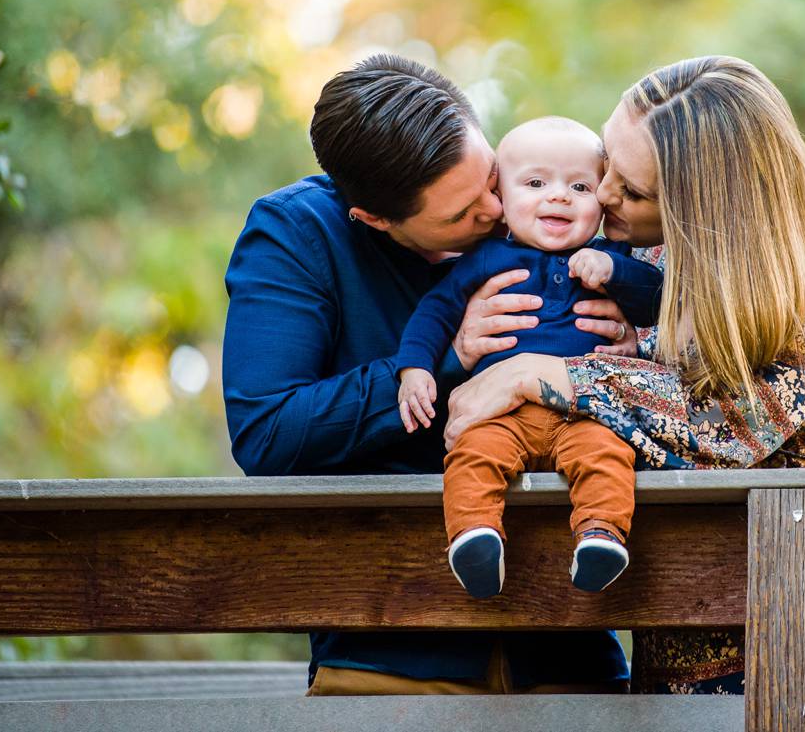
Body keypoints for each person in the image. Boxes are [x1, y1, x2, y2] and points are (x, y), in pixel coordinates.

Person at [443, 55, 805, 696]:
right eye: (607, 169)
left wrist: (546, 374)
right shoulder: (648, 244)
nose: (602, 197)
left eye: (632, 190)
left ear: (708, 203)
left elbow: (742, 418)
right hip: (681, 619)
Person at [221, 54, 635, 696]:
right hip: (391, 648)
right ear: (375, 220)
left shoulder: (544, 209)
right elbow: (267, 433)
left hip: (571, 643)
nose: (498, 212)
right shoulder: (299, 235)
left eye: (492, 183)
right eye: (462, 214)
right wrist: (446, 361)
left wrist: (635, 343)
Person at [394, 117, 663, 598]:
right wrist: (414, 368)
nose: (558, 196)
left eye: (579, 186)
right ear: (502, 198)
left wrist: (614, 273)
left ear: (600, 202)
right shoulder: (485, 260)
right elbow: (434, 312)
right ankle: (475, 537)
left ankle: (601, 535)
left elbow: (657, 301)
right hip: (501, 413)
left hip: (584, 413)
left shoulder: (614, 258)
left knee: (608, 455)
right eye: (536, 183)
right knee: (471, 454)